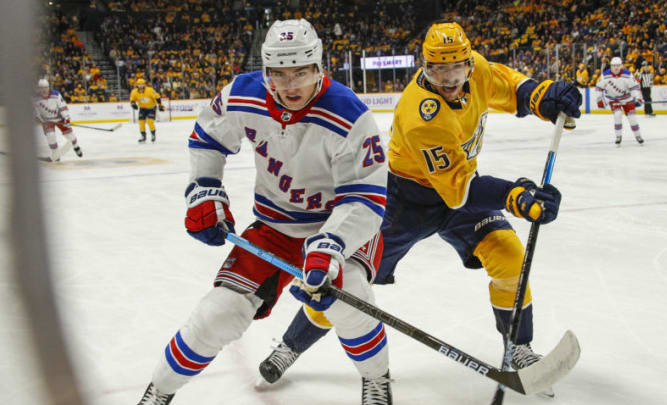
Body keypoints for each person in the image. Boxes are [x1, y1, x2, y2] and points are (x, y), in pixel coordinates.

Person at [256, 21, 580, 398]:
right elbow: (459, 191)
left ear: (468, 64)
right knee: (346, 282)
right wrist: (517, 196)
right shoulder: (421, 114)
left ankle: (518, 348)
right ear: (424, 66)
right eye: (438, 69)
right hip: (405, 204)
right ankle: (290, 346)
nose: (448, 78)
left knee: (509, 256)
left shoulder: (477, 69)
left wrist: (543, 96)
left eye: (456, 68)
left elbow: (510, 87)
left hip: (459, 198)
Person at [136, 19, 392, 405]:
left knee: (350, 297)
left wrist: (330, 246)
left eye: (300, 73)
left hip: (338, 231)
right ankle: (160, 389)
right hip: (273, 228)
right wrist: (205, 189)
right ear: (266, 70)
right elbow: (208, 136)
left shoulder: (350, 115)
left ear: (319, 67)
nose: (290, 86)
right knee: (217, 314)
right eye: (279, 74)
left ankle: (377, 380)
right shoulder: (244, 93)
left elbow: (365, 198)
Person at [596, 57, 645, 145]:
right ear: (611, 66)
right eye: (614, 66)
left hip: (627, 98)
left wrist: (637, 98)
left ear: (621, 66)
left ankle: (638, 135)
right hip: (613, 99)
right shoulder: (605, 75)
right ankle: (618, 136)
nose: (616, 68)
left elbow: (634, 87)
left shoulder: (627, 74)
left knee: (632, 118)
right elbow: (599, 88)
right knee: (617, 115)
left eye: (618, 65)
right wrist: (599, 100)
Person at [33, 78, 83, 161]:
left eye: (45, 87)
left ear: (48, 87)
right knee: (51, 136)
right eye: (42, 88)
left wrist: (66, 119)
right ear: (39, 89)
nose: (44, 90)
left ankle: (76, 147)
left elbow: (62, 107)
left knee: (70, 135)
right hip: (47, 121)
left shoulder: (56, 95)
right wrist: (39, 118)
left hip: (59, 118)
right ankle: (55, 153)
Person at [130, 78, 164, 143]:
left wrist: (160, 105)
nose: (140, 86)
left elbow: (157, 97)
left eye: (142, 84)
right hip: (142, 108)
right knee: (141, 122)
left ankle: (153, 134)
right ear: (137, 85)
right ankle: (143, 136)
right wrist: (133, 104)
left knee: (150, 121)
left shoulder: (150, 90)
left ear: (144, 84)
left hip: (151, 108)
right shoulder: (134, 92)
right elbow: (132, 99)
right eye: (139, 84)